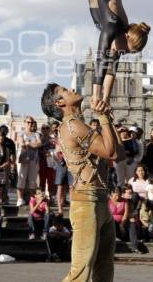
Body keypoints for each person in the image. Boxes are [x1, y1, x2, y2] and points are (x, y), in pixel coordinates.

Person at [41, 83, 125, 282]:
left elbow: (119, 154)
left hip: (99, 199)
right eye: (64, 90)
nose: (72, 89)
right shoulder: (71, 124)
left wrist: (107, 118)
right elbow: (110, 152)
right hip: (86, 203)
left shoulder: (78, 124)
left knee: (104, 269)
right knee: (81, 272)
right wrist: (103, 117)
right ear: (59, 102)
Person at [16, 116, 41, 206]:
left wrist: (28, 143)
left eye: (31, 122)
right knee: (21, 178)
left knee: (32, 180)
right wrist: (31, 144)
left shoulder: (36, 134)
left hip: (33, 159)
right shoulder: (21, 133)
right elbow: (21, 143)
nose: (30, 124)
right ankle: (20, 198)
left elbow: (38, 144)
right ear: (24, 123)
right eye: (28, 122)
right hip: (24, 159)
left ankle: (32, 199)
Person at [108, 185, 140, 253]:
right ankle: (110, 249)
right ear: (111, 193)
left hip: (123, 223)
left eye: (119, 195)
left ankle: (134, 247)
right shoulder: (108, 202)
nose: (118, 197)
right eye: (116, 195)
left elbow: (126, 214)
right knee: (111, 222)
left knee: (132, 224)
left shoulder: (124, 201)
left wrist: (122, 224)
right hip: (112, 224)